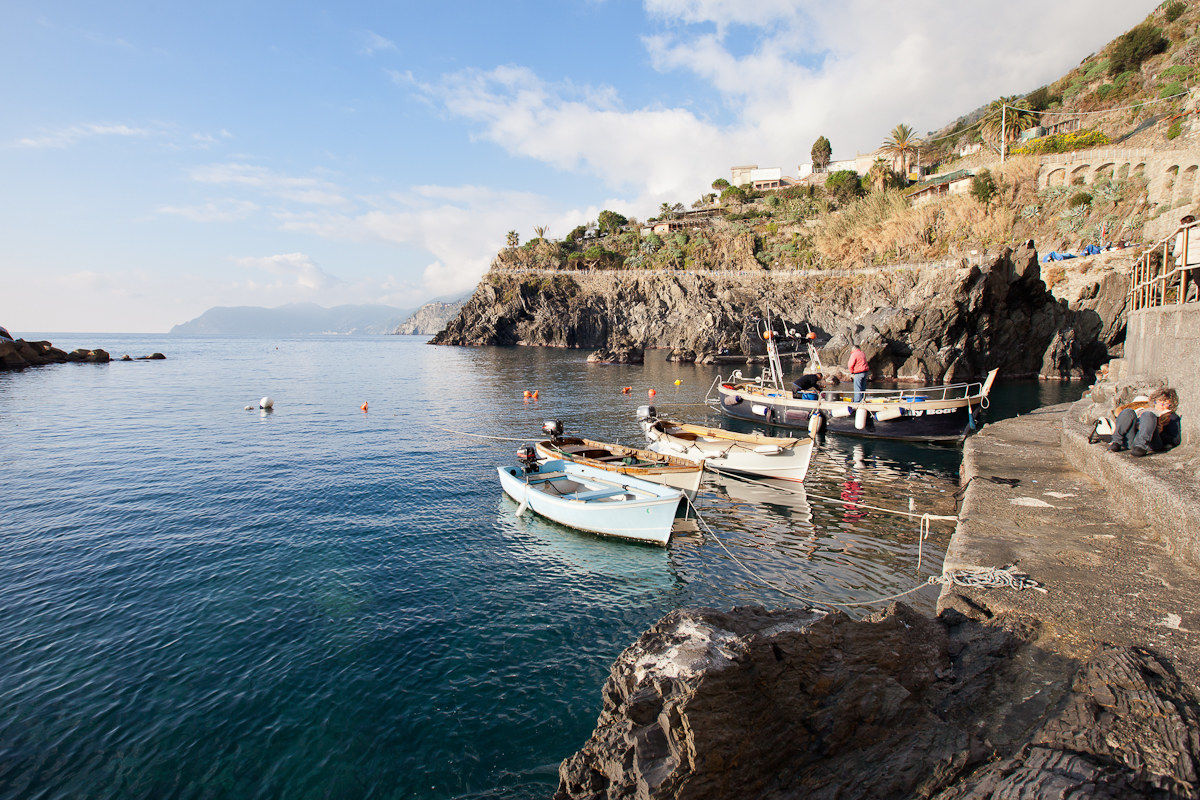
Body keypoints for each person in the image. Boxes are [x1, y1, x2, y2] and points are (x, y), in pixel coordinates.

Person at [1110, 387, 1182, 457]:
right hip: (1134, 439)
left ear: (1171, 405)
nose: (1161, 406)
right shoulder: (1146, 410)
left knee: (1148, 415)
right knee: (1128, 412)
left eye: (1165, 404)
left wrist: (1161, 432)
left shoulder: (1172, 417)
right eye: (1159, 402)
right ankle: (1116, 442)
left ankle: (1141, 447)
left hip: (1151, 442)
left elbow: (1175, 440)